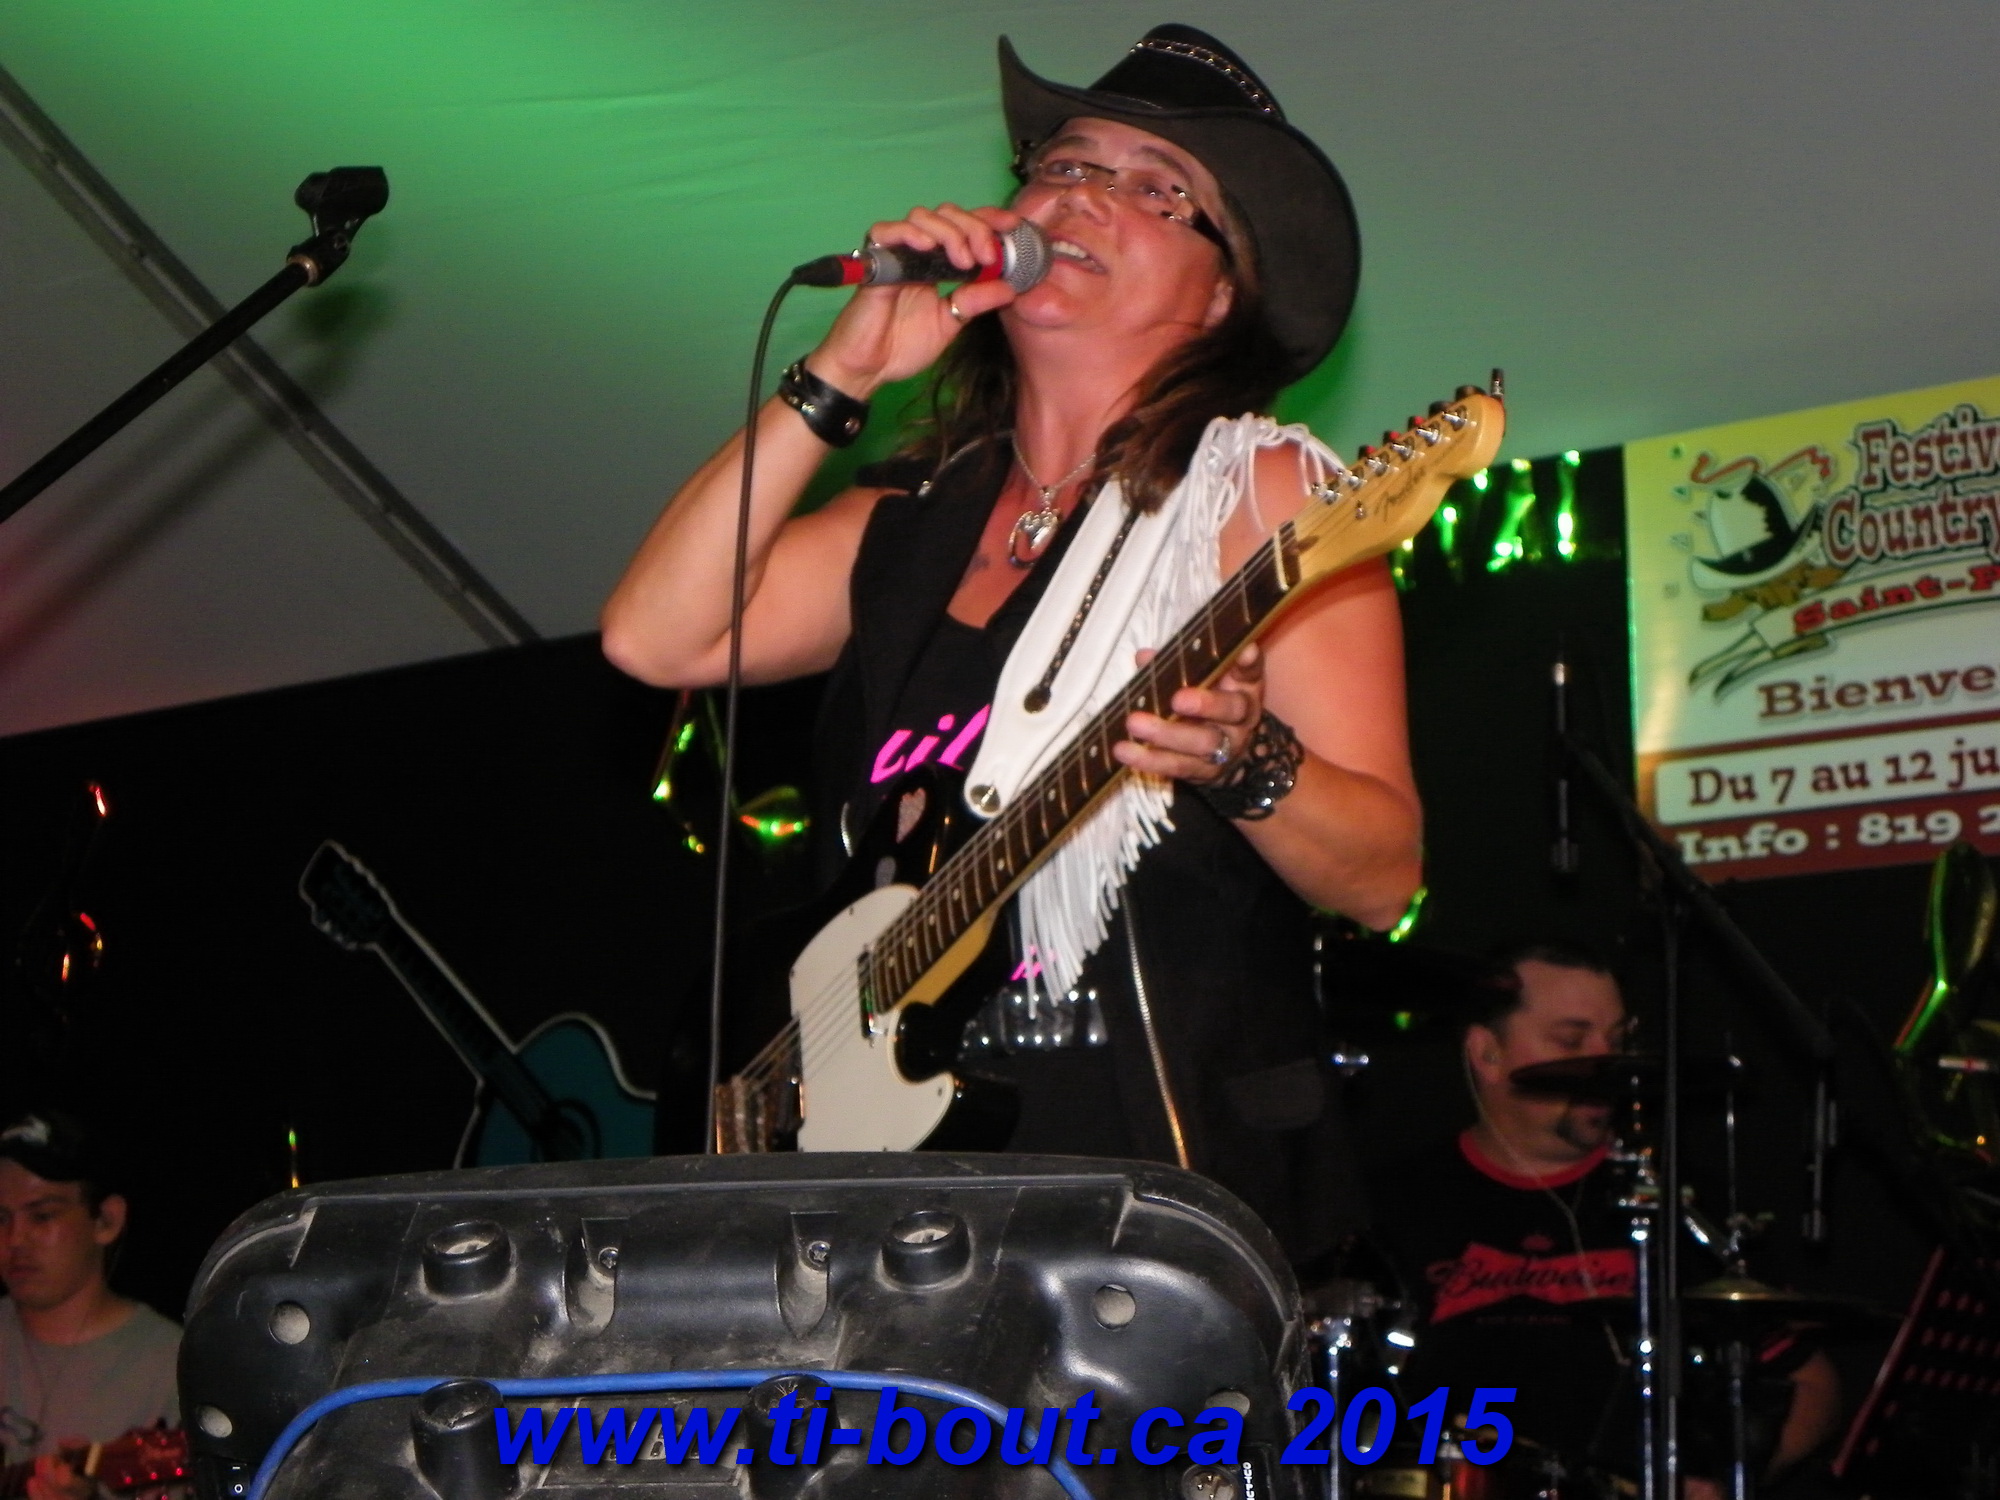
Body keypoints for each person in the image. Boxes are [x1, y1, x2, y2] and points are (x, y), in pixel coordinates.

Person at [602, 24, 1419, 1258]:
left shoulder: (1256, 497)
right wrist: (840, 373)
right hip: (887, 1206)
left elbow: (1383, 873)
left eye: (1158, 190)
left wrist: (1246, 761)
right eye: (1066, 163)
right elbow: (651, 637)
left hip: (1139, 1197)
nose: (1085, 195)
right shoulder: (907, 520)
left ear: (1220, 296)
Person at [1366, 944, 1841, 1495]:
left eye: (1616, 1042)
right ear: (1487, 1053)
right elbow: (1330, 1398)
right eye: (1571, 1041)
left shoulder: (1680, 1204)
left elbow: (1812, 1382)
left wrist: (1726, 1485)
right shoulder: (1393, 1205)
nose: (1606, 1064)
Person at [0, 1112, 180, 1500]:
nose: (14, 1239)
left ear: (106, 1221)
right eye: (1, 1218)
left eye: (42, 1216)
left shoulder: (170, 1368)